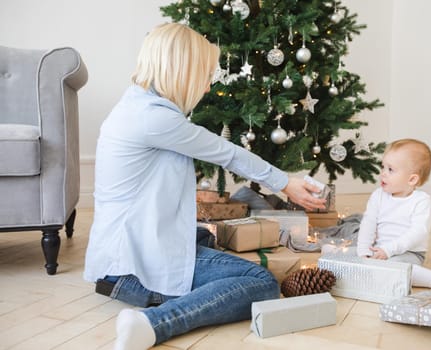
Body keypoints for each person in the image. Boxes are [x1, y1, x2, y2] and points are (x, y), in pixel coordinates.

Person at [83, 23, 326, 350]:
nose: (209, 85)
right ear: (182, 71)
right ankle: (152, 324)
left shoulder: (137, 106)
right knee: (261, 284)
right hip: (129, 269)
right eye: (205, 73)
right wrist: (286, 183)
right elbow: (228, 153)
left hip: (119, 259)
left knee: (204, 237)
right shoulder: (153, 118)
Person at [356, 138, 431, 292]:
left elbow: (417, 233)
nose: (383, 173)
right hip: (378, 250)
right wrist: (363, 252)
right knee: (344, 256)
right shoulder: (378, 196)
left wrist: (389, 250)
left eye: (390, 170)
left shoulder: (421, 202)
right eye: (383, 167)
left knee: (394, 268)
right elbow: (368, 223)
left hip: (409, 253)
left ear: (412, 179)